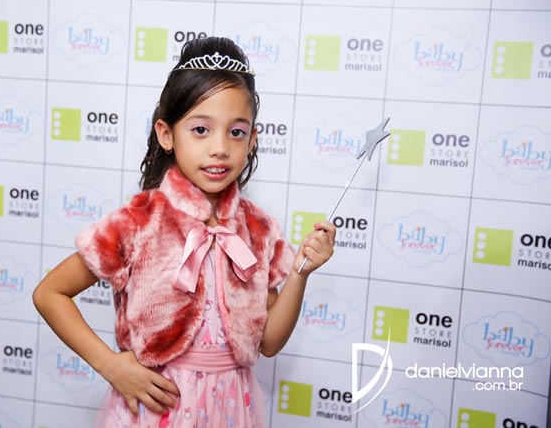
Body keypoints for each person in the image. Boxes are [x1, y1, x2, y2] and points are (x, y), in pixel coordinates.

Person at [33, 36, 336, 428]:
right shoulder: (139, 221)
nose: (220, 148)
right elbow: (50, 293)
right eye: (201, 129)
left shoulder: (260, 229)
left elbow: (270, 343)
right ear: (166, 134)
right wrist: (111, 365)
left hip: (231, 408)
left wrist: (300, 272)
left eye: (236, 132)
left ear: (252, 140)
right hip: (157, 409)